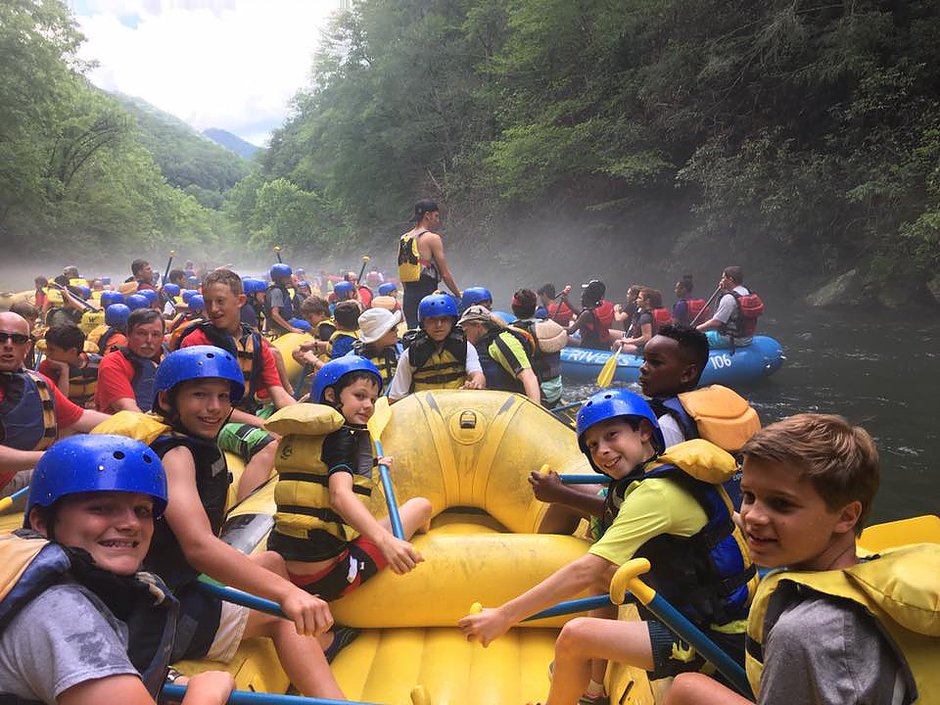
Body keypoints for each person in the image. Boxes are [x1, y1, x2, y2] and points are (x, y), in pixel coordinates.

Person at [458, 389, 756, 705]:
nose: (602, 451)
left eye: (612, 435)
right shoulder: (662, 476)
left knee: (576, 636)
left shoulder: (655, 495)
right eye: (593, 445)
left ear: (644, 432)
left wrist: (504, 616)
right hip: (714, 617)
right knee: (607, 577)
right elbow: (731, 521)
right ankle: (593, 688)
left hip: (712, 638)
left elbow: (586, 569)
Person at [95, 346, 346, 697]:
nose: (214, 408)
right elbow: (198, 547)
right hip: (155, 610)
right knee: (282, 615)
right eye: (200, 395)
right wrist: (288, 595)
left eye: (222, 397)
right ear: (169, 400)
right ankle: (332, 698)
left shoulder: (182, 443)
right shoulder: (176, 454)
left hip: (171, 585)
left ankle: (319, 645)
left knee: (272, 560)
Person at [663, 414, 935, 705]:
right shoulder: (873, 571)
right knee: (688, 686)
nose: (752, 516)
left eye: (781, 504)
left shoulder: (803, 634)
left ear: (846, 516)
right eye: (750, 496)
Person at [0, 433, 236, 705]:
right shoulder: (60, 612)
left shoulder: (81, 581)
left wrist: (166, 679)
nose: (131, 524)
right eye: (101, 508)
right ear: (41, 523)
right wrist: (207, 691)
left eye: (142, 511)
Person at [267, 356, 432, 602]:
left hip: (286, 563)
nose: (369, 405)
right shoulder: (344, 437)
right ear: (332, 396)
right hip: (329, 578)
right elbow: (338, 495)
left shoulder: (299, 435)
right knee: (422, 506)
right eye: (360, 396)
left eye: (373, 400)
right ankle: (424, 533)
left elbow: (317, 470)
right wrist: (386, 541)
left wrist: (374, 464)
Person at [176, 269, 296, 501]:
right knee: (269, 445)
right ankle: (241, 518)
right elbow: (204, 406)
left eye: (220, 301)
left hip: (250, 411)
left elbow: (278, 393)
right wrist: (263, 425)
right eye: (208, 302)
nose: (213, 309)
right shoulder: (197, 342)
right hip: (212, 421)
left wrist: (299, 418)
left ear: (240, 301)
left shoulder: (256, 342)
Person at [0, 312, 109, 489]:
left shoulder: (38, 383)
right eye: (1, 338)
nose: (8, 345)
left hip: (15, 473)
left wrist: (138, 423)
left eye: (18, 340)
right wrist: (53, 456)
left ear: (27, 347)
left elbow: (81, 417)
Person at [387, 294, 485, 402]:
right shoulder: (411, 354)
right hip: (423, 414)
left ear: (452, 321)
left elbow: (478, 376)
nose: (438, 325)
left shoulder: (465, 347)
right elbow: (396, 397)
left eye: (444, 319)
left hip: (456, 409)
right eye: (432, 320)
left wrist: (475, 383)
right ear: (423, 323)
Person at [397, 199, 461, 328]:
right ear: (427, 215)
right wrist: (458, 294)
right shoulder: (432, 238)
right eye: (436, 216)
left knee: (414, 334)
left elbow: (403, 269)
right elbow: (445, 273)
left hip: (408, 297)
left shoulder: (404, 238)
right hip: (427, 295)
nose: (438, 219)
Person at [459, 305, 541, 403]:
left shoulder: (502, 341)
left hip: (515, 406)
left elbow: (528, 377)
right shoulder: (477, 347)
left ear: (478, 326)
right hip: (496, 406)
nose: (464, 335)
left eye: (466, 330)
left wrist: (535, 411)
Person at [94, 308, 164, 414]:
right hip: (124, 426)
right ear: (128, 334)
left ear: (163, 337)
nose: (149, 340)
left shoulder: (167, 358)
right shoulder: (113, 362)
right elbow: (127, 409)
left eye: (155, 335)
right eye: (141, 333)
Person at [510, 288, 567, 408]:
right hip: (557, 392)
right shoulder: (548, 325)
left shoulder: (516, 333)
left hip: (539, 395)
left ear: (514, 309)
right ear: (534, 307)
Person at [696, 266, 763, 348]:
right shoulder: (747, 292)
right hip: (747, 339)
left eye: (723, 278)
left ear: (730, 279)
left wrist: (696, 329)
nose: (721, 280)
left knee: (697, 338)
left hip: (731, 340)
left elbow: (716, 322)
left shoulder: (728, 298)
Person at [40, 325, 101, 408]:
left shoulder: (98, 364)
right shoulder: (47, 367)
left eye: (51, 350)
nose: (46, 353)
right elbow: (59, 405)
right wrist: (64, 370)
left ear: (72, 351)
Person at [352, 307, 403, 389]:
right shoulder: (354, 358)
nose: (397, 330)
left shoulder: (403, 352)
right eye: (392, 328)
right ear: (379, 335)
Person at [612, 287, 665, 354]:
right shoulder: (651, 313)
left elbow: (646, 338)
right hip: (651, 347)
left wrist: (629, 341)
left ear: (647, 301)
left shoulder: (645, 317)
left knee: (617, 343)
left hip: (644, 350)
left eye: (639, 298)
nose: (636, 300)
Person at [566, 280, 614, 350]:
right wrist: (567, 302)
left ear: (588, 295)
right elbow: (582, 316)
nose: (582, 294)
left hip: (590, 347)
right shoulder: (602, 307)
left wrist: (553, 326)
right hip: (605, 346)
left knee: (565, 338)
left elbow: (571, 330)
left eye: (585, 291)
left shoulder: (587, 314)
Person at [265, 263, 302, 336]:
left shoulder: (282, 289)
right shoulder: (276, 291)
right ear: (279, 278)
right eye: (287, 277)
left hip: (288, 320)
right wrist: (292, 329)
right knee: (306, 326)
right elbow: (275, 314)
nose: (289, 278)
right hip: (281, 325)